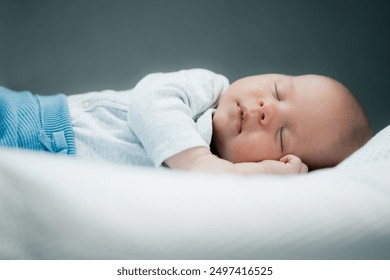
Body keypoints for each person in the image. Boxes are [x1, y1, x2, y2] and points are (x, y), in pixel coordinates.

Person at [0, 68, 371, 175]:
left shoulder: (224, 179)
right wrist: (198, 161)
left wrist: (264, 178)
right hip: (34, 124)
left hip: (51, 172)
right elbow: (149, 100)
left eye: (282, 136)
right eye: (277, 90)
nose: (265, 109)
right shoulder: (208, 89)